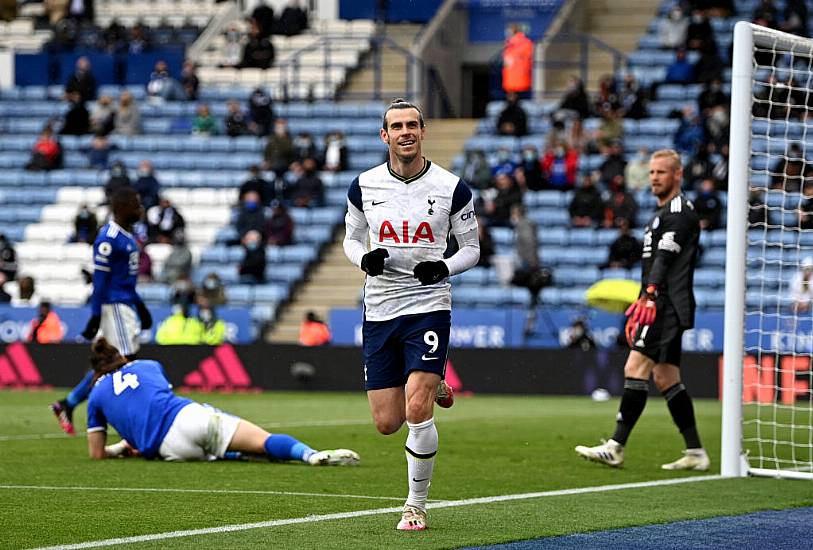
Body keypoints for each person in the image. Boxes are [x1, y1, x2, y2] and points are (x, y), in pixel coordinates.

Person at [342, 98, 479, 531]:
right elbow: (351, 239)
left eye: (412, 125)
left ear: (423, 132)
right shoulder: (363, 186)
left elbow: (472, 249)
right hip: (380, 308)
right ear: (384, 135)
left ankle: (415, 505)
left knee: (417, 408)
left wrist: (445, 266)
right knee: (387, 422)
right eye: (396, 126)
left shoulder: (451, 187)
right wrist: (363, 261)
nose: (405, 132)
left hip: (428, 306)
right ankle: (434, 378)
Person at [575, 149, 709, 472]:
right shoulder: (662, 214)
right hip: (660, 301)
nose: (654, 178)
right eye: (651, 173)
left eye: (661, 172)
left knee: (635, 366)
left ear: (677, 175)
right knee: (666, 377)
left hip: (664, 303)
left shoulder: (680, 212)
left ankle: (616, 445)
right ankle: (696, 451)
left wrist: (648, 296)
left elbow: (664, 260)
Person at [83, 337, 359, 464]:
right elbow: (152, 403)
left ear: (96, 371)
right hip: (187, 419)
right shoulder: (146, 365)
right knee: (262, 440)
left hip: (169, 450)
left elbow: (96, 453)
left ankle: (236, 454)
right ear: (121, 357)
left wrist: (119, 448)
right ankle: (310, 455)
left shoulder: (95, 393)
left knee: (225, 453)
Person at [50, 187, 153, 437]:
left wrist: (141, 308)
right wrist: (96, 315)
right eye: (136, 204)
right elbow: (101, 280)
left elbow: (124, 281)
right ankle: (115, 415)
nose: (140, 209)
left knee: (118, 363)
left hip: (125, 304)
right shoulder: (108, 238)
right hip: (114, 307)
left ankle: (69, 403)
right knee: (125, 361)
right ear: (121, 207)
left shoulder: (127, 237)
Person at [502, 24, 533, 95]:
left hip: (514, 81)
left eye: (509, 31)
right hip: (522, 80)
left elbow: (508, 62)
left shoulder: (510, 43)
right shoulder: (526, 42)